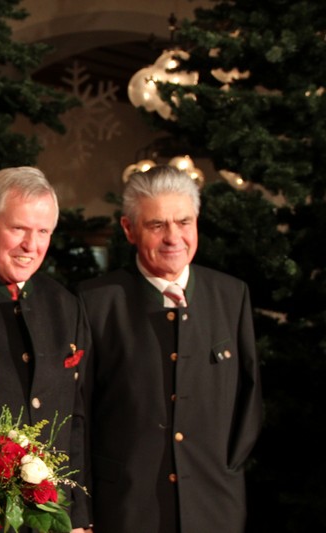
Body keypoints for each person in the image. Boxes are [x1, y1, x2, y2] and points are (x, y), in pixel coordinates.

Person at [78, 165, 263, 533]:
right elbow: (79, 412)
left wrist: (228, 466)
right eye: (157, 225)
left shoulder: (231, 294)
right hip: (127, 510)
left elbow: (249, 395)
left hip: (215, 507)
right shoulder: (95, 302)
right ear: (129, 229)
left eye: (183, 222)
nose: (173, 237)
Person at [0, 166, 92, 532]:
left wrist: (79, 518)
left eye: (43, 232)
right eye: (19, 229)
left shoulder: (64, 303)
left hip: (53, 519)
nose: (31, 245)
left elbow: (76, 418)